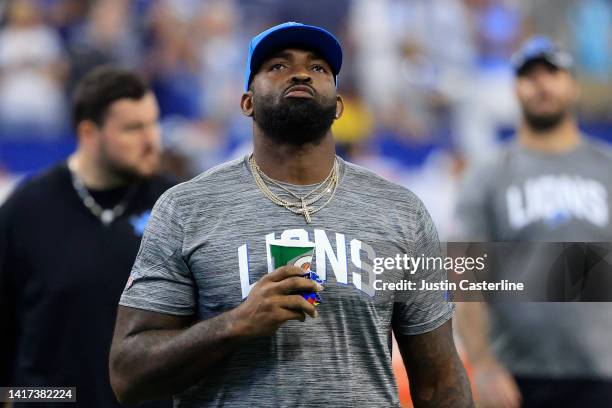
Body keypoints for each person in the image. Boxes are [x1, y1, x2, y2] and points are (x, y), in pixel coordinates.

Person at [109, 22, 473, 407]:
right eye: (278, 66)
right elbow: (127, 375)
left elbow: (439, 382)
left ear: (338, 106)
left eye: (318, 68)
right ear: (247, 101)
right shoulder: (186, 207)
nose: (300, 72)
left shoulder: (400, 211)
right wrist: (234, 324)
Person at [0, 66, 173, 407]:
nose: (152, 140)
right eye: (133, 128)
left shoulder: (175, 204)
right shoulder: (26, 209)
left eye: (153, 123)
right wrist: (26, 398)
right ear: (89, 133)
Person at [455, 37, 612, 408]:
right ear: (515, 89)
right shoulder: (488, 175)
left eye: (552, 73)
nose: (541, 84)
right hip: (517, 376)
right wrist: (482, 363)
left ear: (572, 84)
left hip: (603, 371)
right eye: (529, 76)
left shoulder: (606, 169)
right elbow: (465, 275)